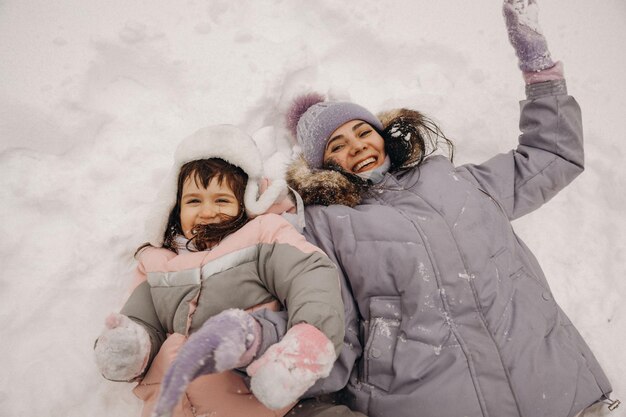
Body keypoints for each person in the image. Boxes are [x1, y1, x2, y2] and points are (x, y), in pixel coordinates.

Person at [257, 1, 620, 417]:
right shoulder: (326, 226)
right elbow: (329, 325)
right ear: (321, 167)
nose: (357, 145)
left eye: (362, 131)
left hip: (553, 388)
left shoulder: (453, 179)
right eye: (337, 145)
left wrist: (538, 71)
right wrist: (259, 341)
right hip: (431, 396)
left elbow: (552, 157)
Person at [93, 125, 346, 417]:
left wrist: (306, 344)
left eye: (222, 200)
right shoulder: (157, 264)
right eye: (194, 201)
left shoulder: (263, 235)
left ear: (245, 204)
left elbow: (311, 276)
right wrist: (129, 346)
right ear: (175, 208)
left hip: (267, 404)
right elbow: (142, 320)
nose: (208, 211)